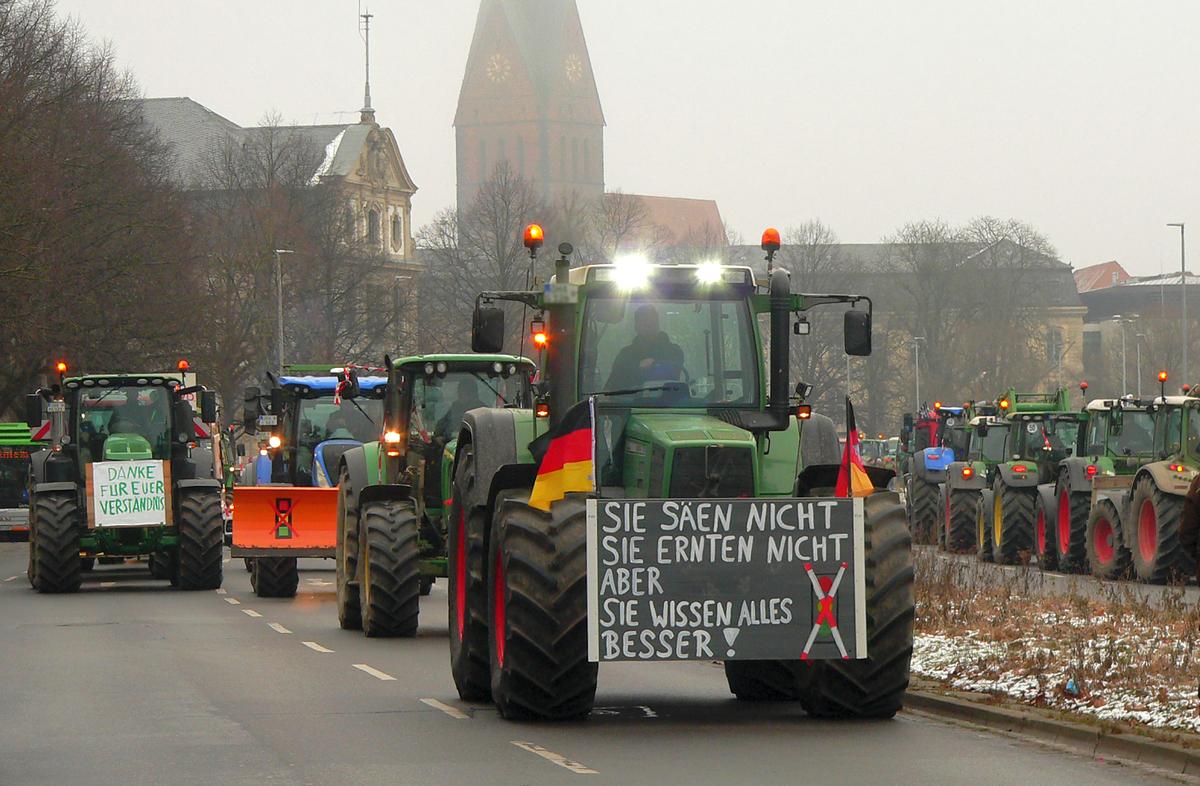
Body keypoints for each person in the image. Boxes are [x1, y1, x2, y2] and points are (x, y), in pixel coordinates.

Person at [603, 304, 685, 391]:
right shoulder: (625, 355)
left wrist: (653, 365)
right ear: (636, 326)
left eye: (652, 320)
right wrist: (637, 367)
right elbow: (611, 388)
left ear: (657, 324)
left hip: (667, 403)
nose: (648, 324)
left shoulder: (674, 351)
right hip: (629, 404)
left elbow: (673, 375)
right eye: (644, 321)